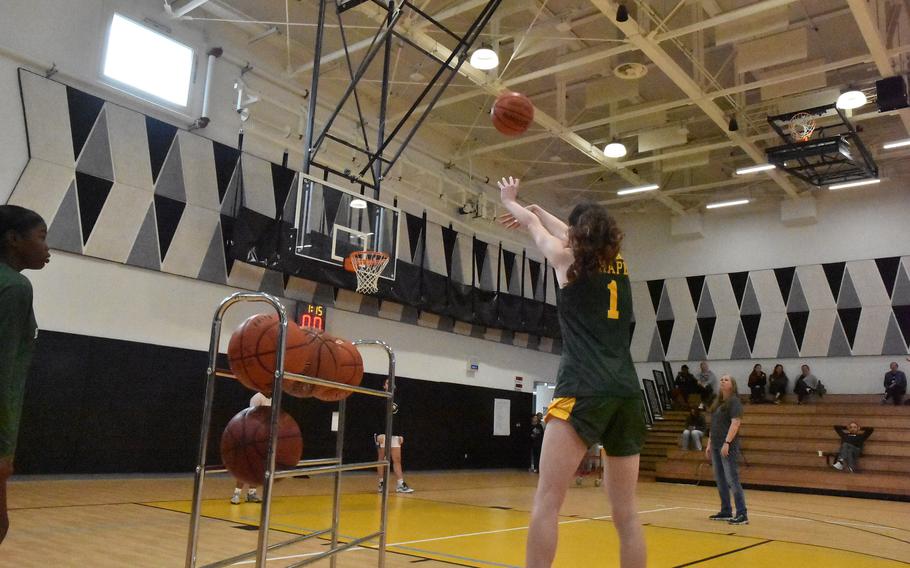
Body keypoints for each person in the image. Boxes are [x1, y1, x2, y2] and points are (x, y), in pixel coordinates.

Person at [498, 177, 646, 568]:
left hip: (583, 384)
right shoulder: (617, 261)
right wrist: (537, 209)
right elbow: (561, 229)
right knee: (626, 515)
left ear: (577, 236)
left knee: (547, 501)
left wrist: (511, 201)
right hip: (627, 390)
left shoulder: (567, 261)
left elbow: (536, 231)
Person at [0, 205, 50, 545]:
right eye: (41, 237)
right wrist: (4, 450)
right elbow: (4, 374)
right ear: (13, 239)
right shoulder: (16, 287)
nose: (47, 248)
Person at [705, 375, 748, 525]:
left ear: (732, 385)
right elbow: (713, 426)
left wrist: (727, 442)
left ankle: (742, 513)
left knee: (732, 479)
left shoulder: (734, 402)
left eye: (726, 379)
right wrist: (709, 444)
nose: (723, 381)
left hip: (727, 446)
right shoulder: (717, 403)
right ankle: (726, 510)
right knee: (720, 479)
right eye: (721, 379)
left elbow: (735, 423)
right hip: (716, 445)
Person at [230, 391, 271, 504]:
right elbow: (251, 417)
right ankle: (236, 494)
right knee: (245, 466)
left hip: (263, 435)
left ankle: (251, 493)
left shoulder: (272, 398)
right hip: (251, 434)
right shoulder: (257, 398)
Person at [375, 380, 414, 494]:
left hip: (395, 434)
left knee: (397, 460)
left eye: (391, 382)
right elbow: (375, 417)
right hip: (383, 433)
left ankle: (400, 484)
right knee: (381, 460)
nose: (390, 384)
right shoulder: (380, 399)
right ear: (384, 386)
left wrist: (401, 434)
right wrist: (378, 434)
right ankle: (381, 483)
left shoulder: (398, 400)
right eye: (387, 382)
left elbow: (401, 418)